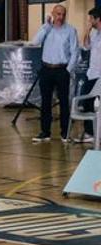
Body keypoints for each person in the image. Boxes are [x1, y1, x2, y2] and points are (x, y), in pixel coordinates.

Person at [31, 4, 78, 143]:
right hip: (46, 69)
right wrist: (46, 26)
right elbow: (35, 42)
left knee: (64, 102)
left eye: (63, 14)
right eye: (58, 14)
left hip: (62, 69)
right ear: (52, 13)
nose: (60, 17)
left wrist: (68, 70)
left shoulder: (70, 30)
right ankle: (45, 132)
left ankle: (65, 133)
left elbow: (75, 51)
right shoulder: (46, 29)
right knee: (45, 102)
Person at [76, 7, 101, 143]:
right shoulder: (94, 34)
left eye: (91, 19)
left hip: (100, 76)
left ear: (97, 19)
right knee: (86, 103)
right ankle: (89, 133)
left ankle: (96, 133)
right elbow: (85, 46)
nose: (89, 21)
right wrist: (87, 30)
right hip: (91, 74)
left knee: (97, 106)